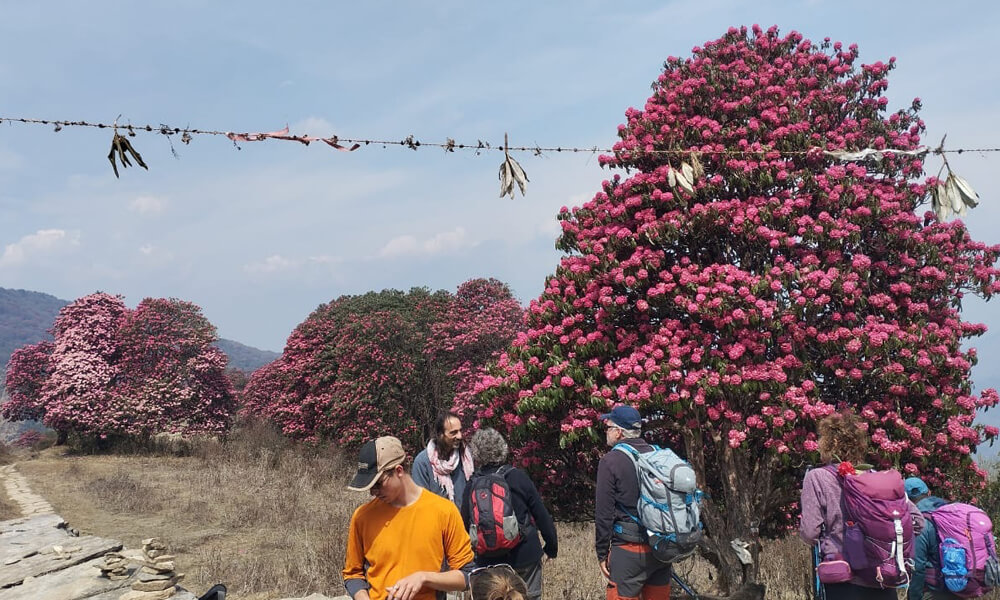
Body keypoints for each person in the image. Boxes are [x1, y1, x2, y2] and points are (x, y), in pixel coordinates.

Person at [800, 410, 924, 600]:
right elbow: (917, 521)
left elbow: (810, 533)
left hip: (843, 580)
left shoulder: (817, 477)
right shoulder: (877, 478)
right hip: (882, 577)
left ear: (827, 444)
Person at [343, 435, 475, 600]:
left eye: (378, 483)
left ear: (398, 471)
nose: (373, 492)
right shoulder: (362, 516)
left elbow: (466, 576)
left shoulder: (444, 511)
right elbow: (352, 575)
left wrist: (424, 577)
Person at [460, 427, 558, 600]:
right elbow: (542, 515)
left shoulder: (472, 484)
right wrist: (551, 547)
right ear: (503, 449)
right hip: (524, 556)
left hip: (489, 561)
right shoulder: (518, 477)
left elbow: (464, 525)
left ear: (477, 454)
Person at [594, 405, 671, 600]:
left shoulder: (610, 461)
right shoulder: (658, 454)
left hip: (629, 549)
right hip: (661, 548)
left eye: (608, 427)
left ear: (618, 432)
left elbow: (604, 513)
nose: (607, 432)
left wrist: (602, 554)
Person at [413, 411, 474, 505]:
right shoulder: (423, 462)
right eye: (453, 433)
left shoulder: (465, 457)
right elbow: (420, 502)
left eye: (460, 431)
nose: (459, 436)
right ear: (440, 434)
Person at [905, 477, 951, 600]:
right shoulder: (949, 514)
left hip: (933, 590)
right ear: (929, 492)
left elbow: (918, 567)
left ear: (906, 500)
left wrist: (914, 596)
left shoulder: (920, 522)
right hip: (958, 586)